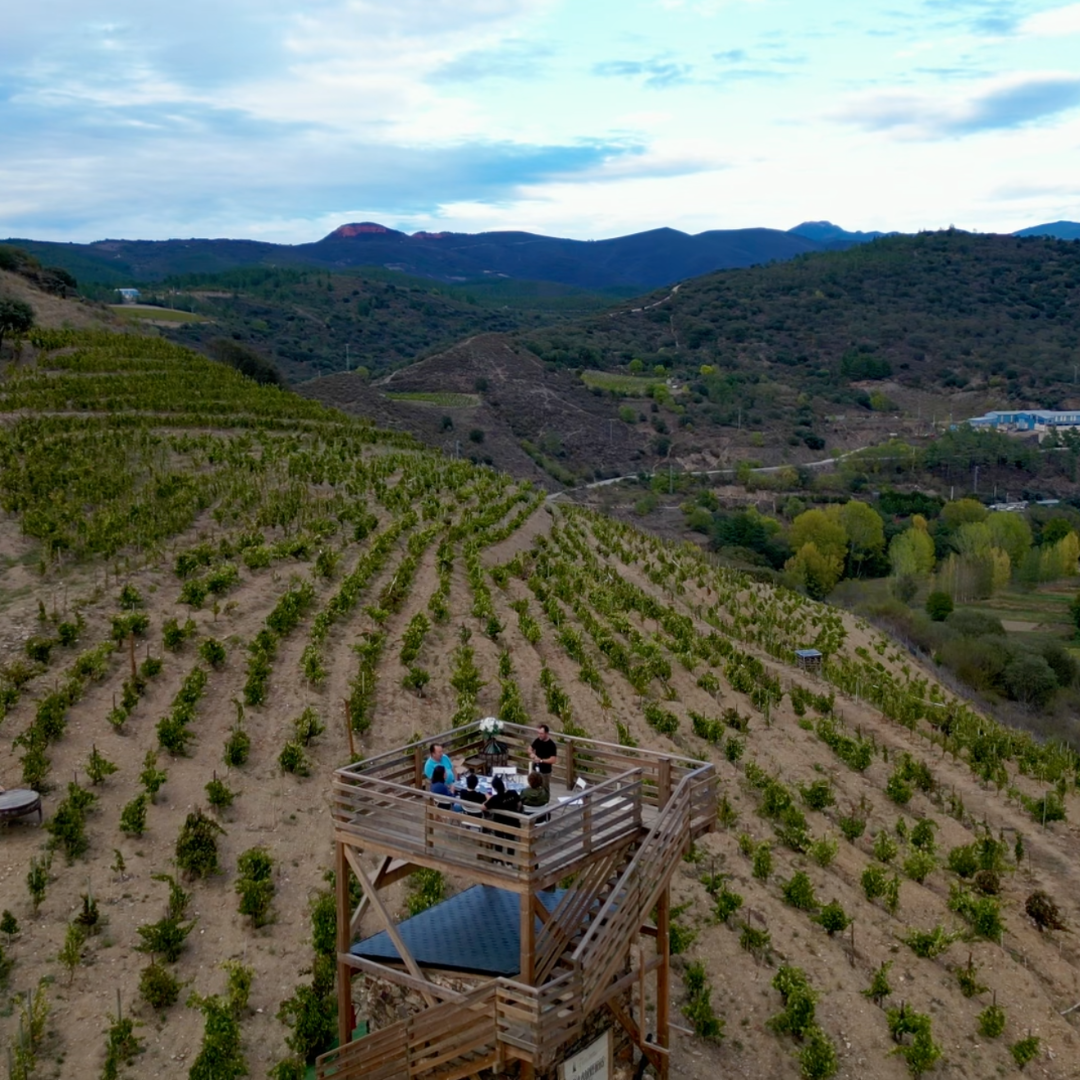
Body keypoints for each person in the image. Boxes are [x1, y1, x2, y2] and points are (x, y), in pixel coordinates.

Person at [529, 724, 558, 791]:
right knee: (533, 788)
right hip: (535, 770)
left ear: (546, 733)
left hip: (545, 772)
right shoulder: (538, 740)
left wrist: (541, 760)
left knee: (545, 789)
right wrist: (532, 754)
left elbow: (553, 760)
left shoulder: (551, 745)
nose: (539, 735)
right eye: (538, 733)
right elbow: (529, 749)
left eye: (541, 733)